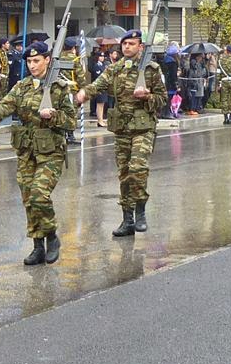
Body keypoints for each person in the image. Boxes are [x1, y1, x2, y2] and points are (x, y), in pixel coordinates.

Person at [0, 41, 75, 265]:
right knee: (28, 200)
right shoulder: (22, 86)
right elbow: (5, 105)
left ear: (47, 60)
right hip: (26, 152)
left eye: (36, 60)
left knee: (39, 194)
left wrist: (52, 116)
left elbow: (71, 121)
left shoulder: (60, 88)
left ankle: (52, 236)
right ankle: (37, 246)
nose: (32, 65)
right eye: (29, 61)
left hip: (50, 152)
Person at [76, 29, 167, 236]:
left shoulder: (151, 70)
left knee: (137, 168)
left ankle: (141, 210)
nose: (127, 47)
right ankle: (128, 219)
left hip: (143, 128)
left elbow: (163, 99)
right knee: (125, 174)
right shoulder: (115, 69)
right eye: (124, 44)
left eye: (131, 44)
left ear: (140, 47)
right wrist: (83, 93)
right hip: (122, 128)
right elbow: (98, 85)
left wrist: (147, 96)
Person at [60, 36, 87, 144]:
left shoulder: (57, 58)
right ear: (73, 48)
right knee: (72, 113)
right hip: (72, 90)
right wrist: (83, 89)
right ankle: (70, 135)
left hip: (59, 89)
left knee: (61, 111)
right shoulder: (75, 59)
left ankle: (62, 134)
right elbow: (80, 77)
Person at [91, 52, 109, 127]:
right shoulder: (96, 66)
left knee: (102, 104)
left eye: (103, 56)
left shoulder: (104, 65)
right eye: (100, 56)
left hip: (104, 88)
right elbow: (98, 76)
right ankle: (100, 120)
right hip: (99, 87)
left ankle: (101, 120)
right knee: (99, 104)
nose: (102, 58)